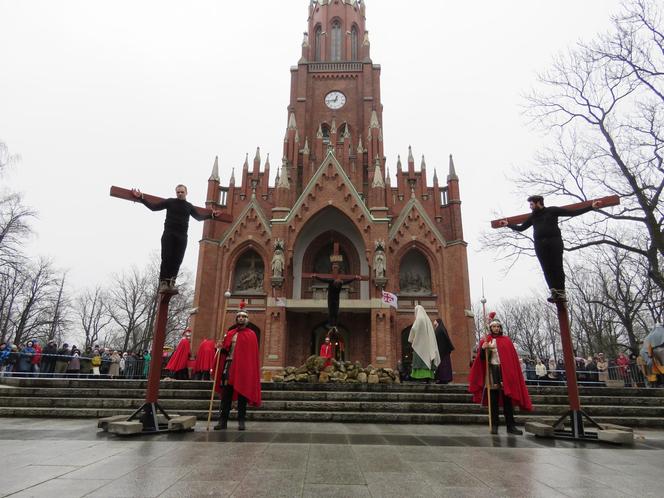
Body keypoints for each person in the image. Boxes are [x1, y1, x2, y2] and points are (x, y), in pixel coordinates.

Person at [498, 196, 602, 302]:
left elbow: (572, 212)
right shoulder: (533, 216)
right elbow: (521, 228)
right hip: (540, 245)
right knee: (547, 269)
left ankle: (561, 292)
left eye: (531, 204)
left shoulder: (552, 211)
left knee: (557, 267)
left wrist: (591, 207)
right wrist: (508, 225)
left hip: (554, 242)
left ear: (538, 202)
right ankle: (554, 292)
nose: (530, 207)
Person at [131, 185, 220, 292]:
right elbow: (154, 208)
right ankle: (164, 282)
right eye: (178, 192)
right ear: (175, 193)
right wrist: (141, 198)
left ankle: (172, 282)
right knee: (167, 257)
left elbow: (198, 217)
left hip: (182, 236)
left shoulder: (189, 206)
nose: (180, 194)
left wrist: (212, 216)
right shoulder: (170, 202)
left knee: (177, 260)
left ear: (186, 192)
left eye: (182, 192)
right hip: (169, 234)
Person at [468, 312, 532, 435]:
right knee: (493, 400)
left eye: (498, 326)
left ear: (500, 328)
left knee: (507, 400)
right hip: (492, 371)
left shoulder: (506, 341)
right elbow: (481, 359)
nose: (496, 328)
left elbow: (511, 359)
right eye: (494, 326)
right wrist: (483, 349)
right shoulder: (485, 340)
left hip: (505, 372)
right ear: (490, 328)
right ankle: (495, 425)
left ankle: (510, 426)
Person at [213, 306, 261, 431]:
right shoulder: (230, 334)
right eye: (239, 317)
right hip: (229, 366)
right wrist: (220, 348)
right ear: (236, 319)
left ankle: (241, 421)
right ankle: (222, 421)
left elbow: (251, 356)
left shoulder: (251, 335)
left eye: (243, 317)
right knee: (226, 395)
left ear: (247, 319)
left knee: (242, 395)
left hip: (243, 369)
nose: (241, 318)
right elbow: (225, 350)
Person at [313, 263, 361, 327]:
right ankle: (331, 324)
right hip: (331, 299)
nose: (338, 282)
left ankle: (334, 325)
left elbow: (348, 281)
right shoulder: (332, 282)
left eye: (338, 281)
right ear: (336, 281)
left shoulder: (340, 283)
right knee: (331, 312)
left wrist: (355, 278)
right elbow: (323, 280)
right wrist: (316, 277)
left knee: (335, 312)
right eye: (337, 281)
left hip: (335, 299)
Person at [407, 305, 440, 382]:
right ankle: (428, 376)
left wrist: (411, 339)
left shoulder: (419, 319)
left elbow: (413, 329)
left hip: (419, 345)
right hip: (427, 346)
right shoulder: (427, 319)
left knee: (420, 360)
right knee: (427, 359)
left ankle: (420, 377)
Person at [433, 317, 454, 384]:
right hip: (444, 351)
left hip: (442, 352)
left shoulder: (439, 329)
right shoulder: (441, 329)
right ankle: (444, 379)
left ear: (437, 322)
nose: (434, 322)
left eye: (435, 321)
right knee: (444, 366)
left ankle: (443, 379)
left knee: (443, 366)